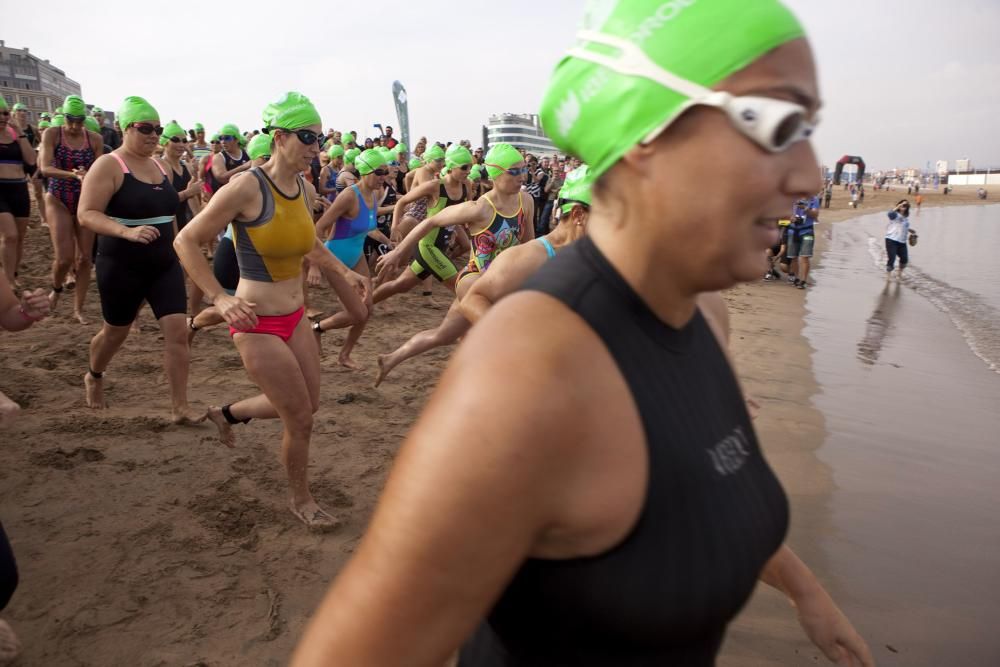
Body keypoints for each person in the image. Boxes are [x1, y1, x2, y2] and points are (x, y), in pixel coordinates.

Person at [291, 2, 873, 665]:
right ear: (645, 139)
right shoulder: (534, 373)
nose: (809, 177)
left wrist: (808, 593)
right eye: (776, 125)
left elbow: (704, 477)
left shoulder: (705, 312)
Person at [175, 92, 367, 531]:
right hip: (255, 321)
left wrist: (343, 271)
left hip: (296, 317)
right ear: (279, 137)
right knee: (299, 418)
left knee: (308, 405)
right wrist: (219, 299)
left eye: (318, 139)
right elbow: (185, 240)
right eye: (307, 138)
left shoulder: (305, 188)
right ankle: (301, 500)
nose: (316, 148)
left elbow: (311, 244)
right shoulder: (245, 186)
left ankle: (226, 414)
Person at [76, 96, 204, 424]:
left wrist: (180, 240)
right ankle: (95, 374)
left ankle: (180, 406)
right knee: (114, 333)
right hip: (121, 263)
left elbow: (160, 207)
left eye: (157, 129)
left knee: (177, 331)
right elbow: (87, 213)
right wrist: (125, 232)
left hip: (162, 263)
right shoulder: (109, 165)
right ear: (123, 128)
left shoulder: (160, 165)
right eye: (145, 128)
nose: (153, 135)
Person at [372, 143, 534, 386]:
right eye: (515, 171)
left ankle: (391, 358)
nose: (522, 177)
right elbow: (430, 222)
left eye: (524, 170)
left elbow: (527, 243)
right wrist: (398, 253)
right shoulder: (479, 208)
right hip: (475, 280)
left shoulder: (526, 201)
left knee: (443, 335)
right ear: (496, 173)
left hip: (502, 280)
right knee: (500, 333)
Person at [460, 165, 591, 324]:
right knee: (442, 336)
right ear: (578, 215)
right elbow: (473, 300)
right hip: (476, 276)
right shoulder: (532, 257)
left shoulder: (601, 257)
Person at [310, 149, 390, 369]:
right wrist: (314, 266)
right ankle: (317, 328)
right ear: (365, 171)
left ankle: (345, 355)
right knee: (357, 313)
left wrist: (391, 244)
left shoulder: (373, 195)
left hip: (356, 255)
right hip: (335, 257)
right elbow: (319, 226)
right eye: (379, 172)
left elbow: (370, 229)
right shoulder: (349, 196)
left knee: (368, 309)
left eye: (386, 172)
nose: (384, 176)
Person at [39, 95, 104, 323]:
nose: (75, 125)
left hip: (84, 199)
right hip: (58, 197)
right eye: (70, 120)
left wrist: (90, 176)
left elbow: (101, 169)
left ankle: (78, 309)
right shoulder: (52, 134)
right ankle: (56, 289)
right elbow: (45, 168)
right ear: (62, 117)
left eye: (79, 120)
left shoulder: (94, 139)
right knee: (64, 258)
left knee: (85, 258)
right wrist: (72, 174)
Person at [0, 98, 38, 287]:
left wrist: (21, 132)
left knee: (19, 237)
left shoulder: (16, 135)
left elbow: (31, 160)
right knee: (10, 235)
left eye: (5, 113)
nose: (2, 117)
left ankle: (13, 274)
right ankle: (7, 281)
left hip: (19, 188)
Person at [885, 199, 916, 279]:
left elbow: (903, 225)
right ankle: (888, 276)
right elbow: (890, 214)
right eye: (902, 205)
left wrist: (910, 230)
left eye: (905, 206)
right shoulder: (895, 214)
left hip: (902, 241)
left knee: (904, 259)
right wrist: (898, 206)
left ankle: (899, 273)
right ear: (899, 205)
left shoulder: (906, 217)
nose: (903, 207)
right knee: (892, 258)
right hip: (891, 240)